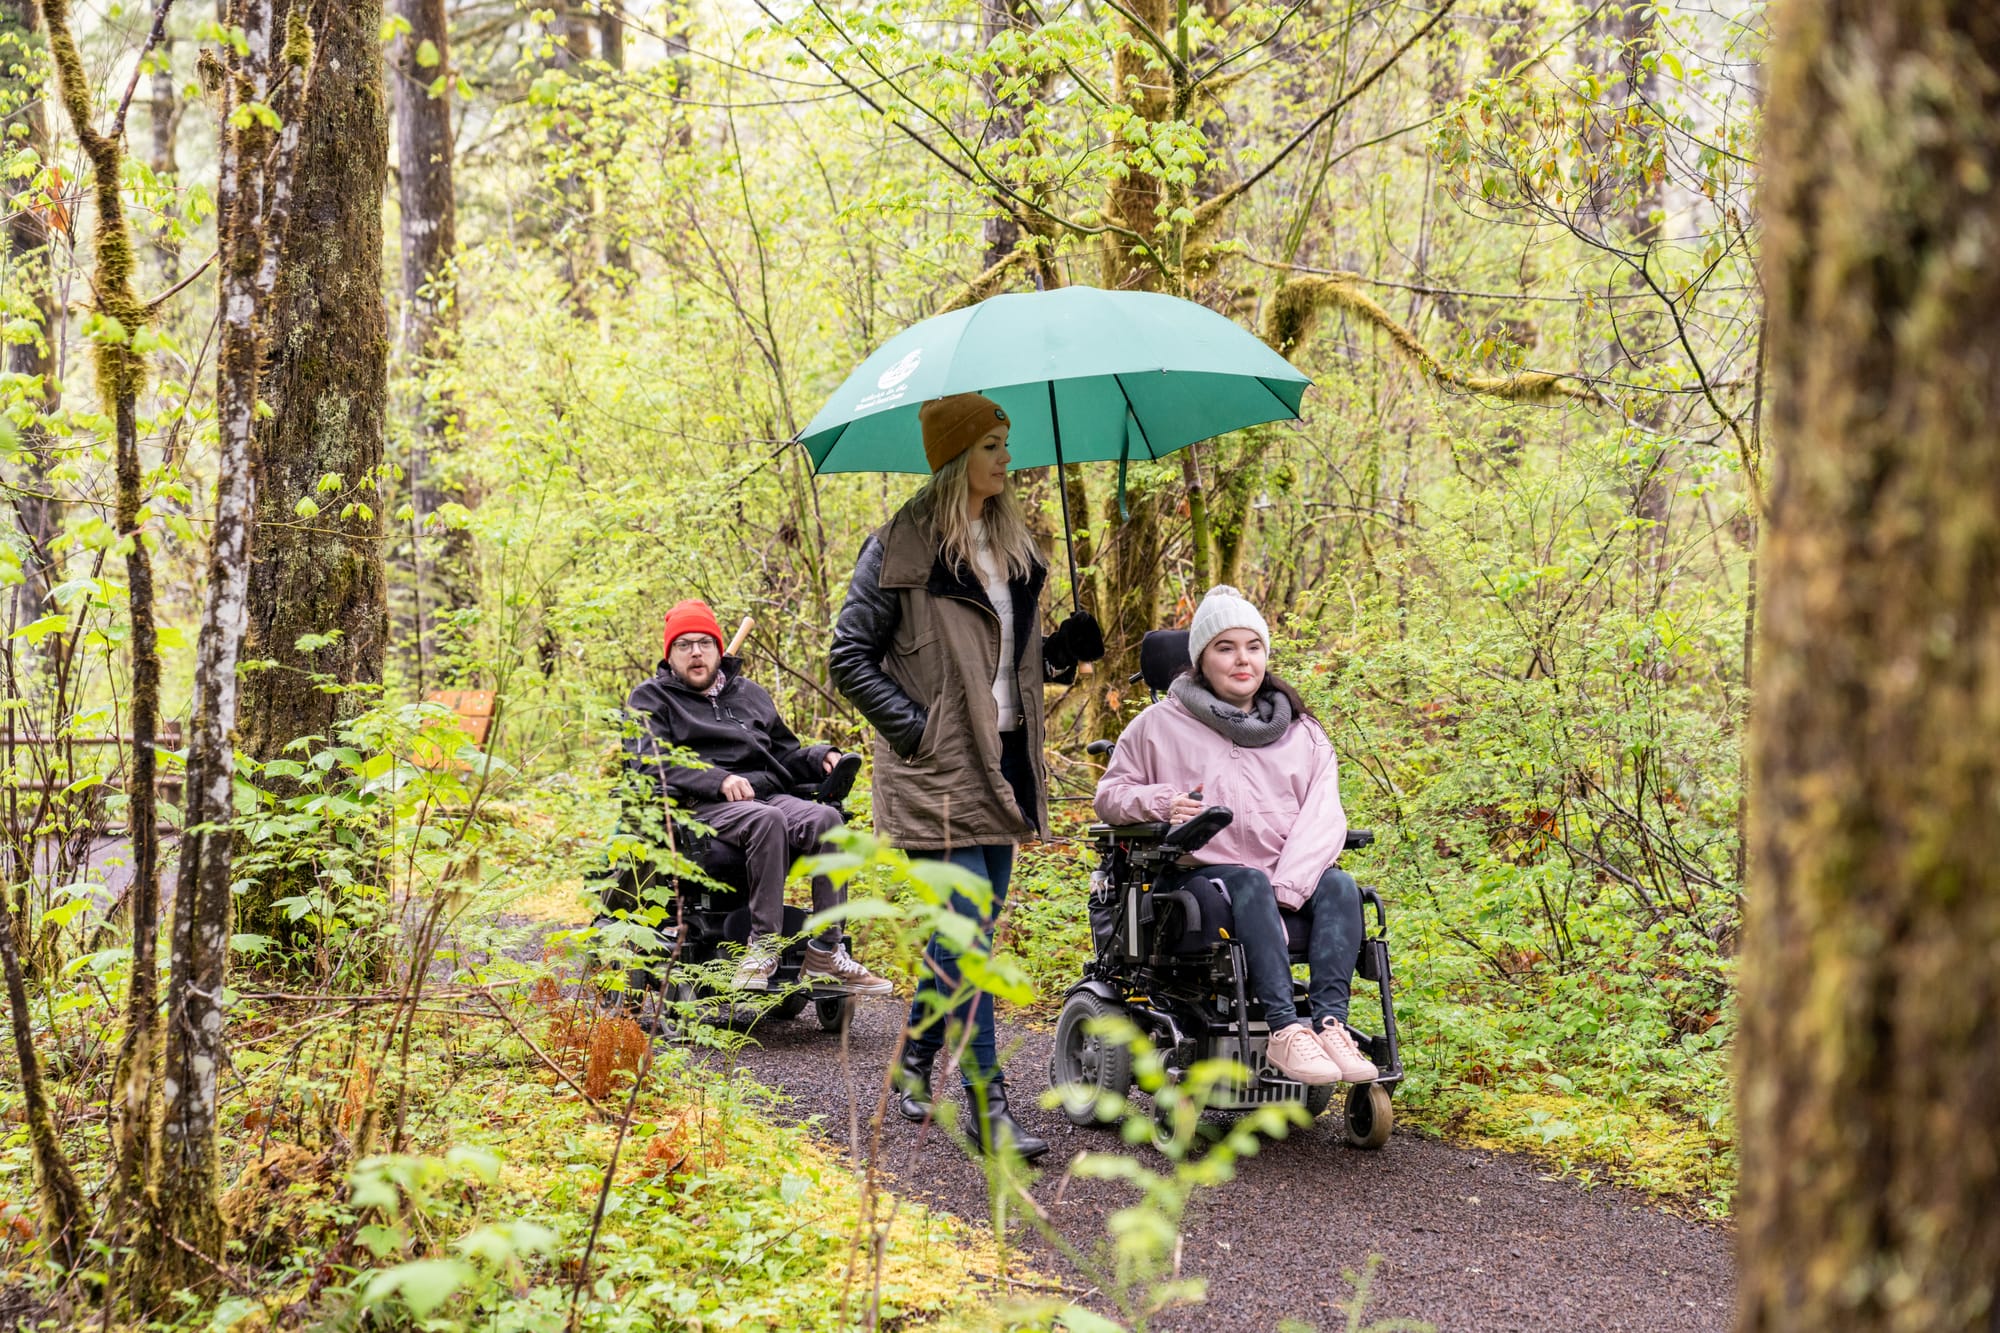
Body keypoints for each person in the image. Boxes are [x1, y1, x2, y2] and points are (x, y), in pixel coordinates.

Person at [829, 392, 1104, 1160]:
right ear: (956, 457)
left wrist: (1059, 653)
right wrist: (918, 728)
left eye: (1006, 441)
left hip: (1003, 764)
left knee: (964, 939)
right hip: (936, 771)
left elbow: (1007, 666)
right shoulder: (899, 546)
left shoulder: (1009, 542)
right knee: (970, 944)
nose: (1005, 457)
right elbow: (848, 658)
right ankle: (987, 1107)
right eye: (990, 444)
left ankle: (915, 1060)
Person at [1092, 585, 1378, 1087]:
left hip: (1286, 879)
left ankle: (1330, 1025)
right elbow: (1110, 796)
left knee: (1340, 886)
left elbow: (1324, 816)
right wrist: (1160, 801)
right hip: (1202, 880)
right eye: (1225, 647)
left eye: (1253, 647)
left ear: (1266, 654)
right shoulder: (1157, 726)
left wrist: (1288, 886)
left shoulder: (1303, 732)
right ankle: (1287, 1031)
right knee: (1247, 881)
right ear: (1202, 659)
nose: (1242, 659)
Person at [626, 598, 891, 995]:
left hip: (765, 797)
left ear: (718, 648)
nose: (695, 652)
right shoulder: (652, 699)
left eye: (704, 643)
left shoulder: (748, 694)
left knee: (826, 821)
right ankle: (762, 946)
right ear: (670, 655)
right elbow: (648, 762)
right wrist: (716, 779)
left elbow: (783, 754)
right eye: (684, 645)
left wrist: (821, 757)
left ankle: (825, 951)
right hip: (699, 809)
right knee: (768, 820)